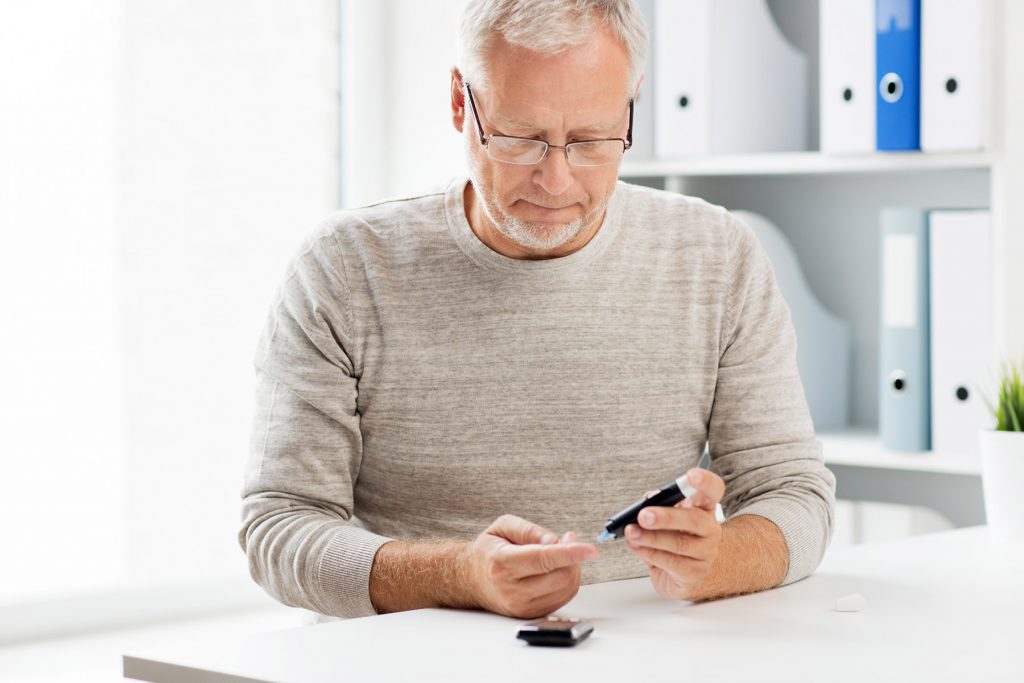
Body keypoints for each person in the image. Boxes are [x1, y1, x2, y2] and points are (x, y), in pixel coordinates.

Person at [239, 0, 835, 621]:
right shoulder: (345, 268)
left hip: (647, 651)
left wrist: (721, 561)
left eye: (592, 140)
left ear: (633, 104)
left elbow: (795, 496)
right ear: (457, 102)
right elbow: (280, 529)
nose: (556, 181)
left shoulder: (716, 254)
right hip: (418, 656)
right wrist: (459, 575)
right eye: (520, 138)